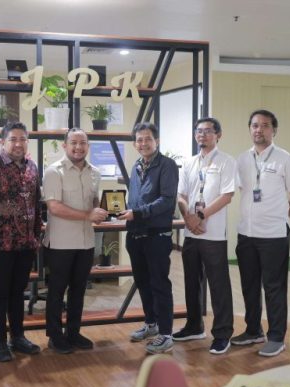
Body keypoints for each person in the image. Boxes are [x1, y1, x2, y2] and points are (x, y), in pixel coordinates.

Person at [232, 110, 290, 357]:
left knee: (274, 288)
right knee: (249, 286)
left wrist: (282, 217)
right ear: (250, 129)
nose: (259, 130)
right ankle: (253, 330)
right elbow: (241, 191)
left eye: (264, 125)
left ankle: (276, 337)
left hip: (274, 235)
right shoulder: (242, 159)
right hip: (246, 233)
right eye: (254, 125)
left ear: (274, 130)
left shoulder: (285, 159)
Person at [0, 121, 43, 362]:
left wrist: (36, 236)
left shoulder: (32, 167)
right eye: (13, 139)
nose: (18, 144)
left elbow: (35, 204)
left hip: (26, 243)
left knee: (18, 292)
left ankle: (18, 337)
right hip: (0, 245)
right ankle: (0, 342)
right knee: (1, 293)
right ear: (3, 142)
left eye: (22, 139)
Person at [42, 128, 107, 354]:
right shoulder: (53, 172)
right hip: (61, 243)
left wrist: (100, 210)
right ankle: (54, 336)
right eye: (74, 143)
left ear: (88, 146)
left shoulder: (95, 172)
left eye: (83, 143)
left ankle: (73, 332)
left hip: (86, 242)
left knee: (79, 290)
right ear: (65, 146)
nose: (78, 147)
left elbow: (94, 200)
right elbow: (54, 207)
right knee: (56, 291)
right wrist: (88, 215)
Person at [175, 117, 235, 355]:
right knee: (192, 282)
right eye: (199, 131)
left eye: (208, 131)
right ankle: (194, 326)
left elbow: (226, 196)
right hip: (191, 233)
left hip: (214, 234)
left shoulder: (226, 161)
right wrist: (188, 217)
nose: (202, 135)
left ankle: (222, 334)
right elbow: (181, 196)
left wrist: (200, 216)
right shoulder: (188, 163)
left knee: (219, 286)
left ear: (218, 135)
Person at [118, 122, 179, 354]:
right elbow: (135, 199)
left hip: (157, 235)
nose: (143, 143)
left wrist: (137, 213)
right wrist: (122, 211)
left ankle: (166, 334)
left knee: (159, 284)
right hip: (135, 234)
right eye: (139, 140)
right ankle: (151, 324)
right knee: (143, 282)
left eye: (148, 139)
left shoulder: (167, 165)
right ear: (135, 144)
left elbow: (167, 200)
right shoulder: (136, 166)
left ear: (157, 141)